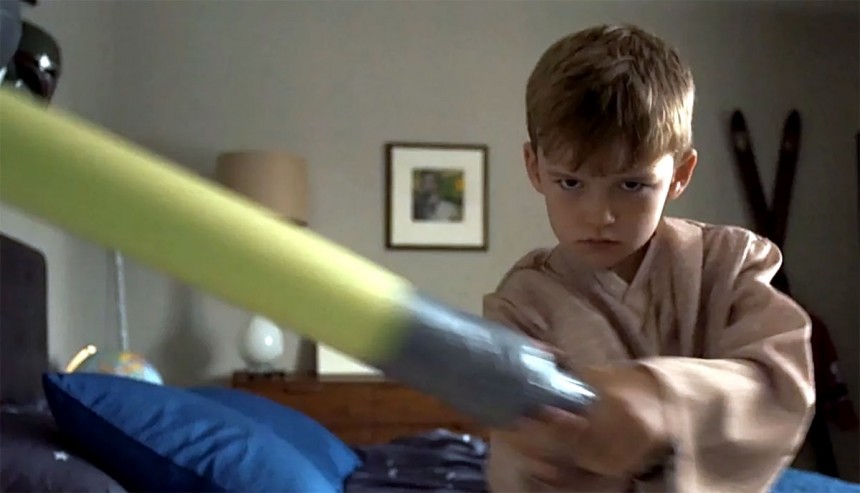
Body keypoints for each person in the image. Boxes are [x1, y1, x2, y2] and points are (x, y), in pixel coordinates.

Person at [482, 24, 815, 493]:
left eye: (632, 184)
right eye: (571, 183)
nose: (600, 215)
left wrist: (664, 400)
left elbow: (781, 384)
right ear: (535, 168)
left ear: (679, 174)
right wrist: (548, 458)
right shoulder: (521, 305)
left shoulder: (729, 264)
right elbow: (518, 459)